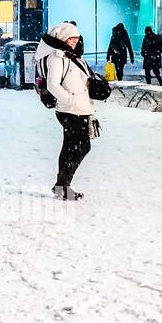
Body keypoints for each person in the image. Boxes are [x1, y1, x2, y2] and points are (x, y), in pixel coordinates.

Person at [34, 21, 98, 201]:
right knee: (81, 147)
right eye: (71, 38)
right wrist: (72, 101)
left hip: (79, 109)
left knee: (71, 147)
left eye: (77, 38)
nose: (74, 41)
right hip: (70, 110)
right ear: (63, 37)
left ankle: (62, 186)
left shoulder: (72, 56)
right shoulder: (57, 57)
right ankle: (62, 186)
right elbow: (52, 85)